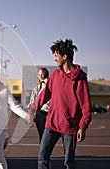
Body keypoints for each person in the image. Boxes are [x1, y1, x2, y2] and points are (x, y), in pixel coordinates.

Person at [28, 39, 91, 169]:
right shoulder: (55, 76)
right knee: (42, 157)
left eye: (56, 55)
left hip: (70, 127)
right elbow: (43, 96)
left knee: (69, 162)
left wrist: (82, 127)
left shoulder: (80, 78)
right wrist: (32, 110)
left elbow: (85, 105)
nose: (55, 59)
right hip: (52, 124)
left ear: (65, 56)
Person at [27, 67, 50, 142]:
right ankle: (43, 152)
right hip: (40, 114)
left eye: (42, 74)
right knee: (42, 135)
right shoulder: (36, 89)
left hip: (50, 114)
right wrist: (31, 113)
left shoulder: (51, 88)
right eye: (39, 75)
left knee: (49, 135)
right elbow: (32, 102)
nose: (40, 76)